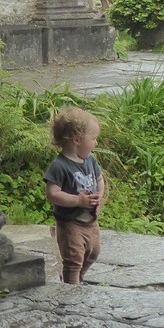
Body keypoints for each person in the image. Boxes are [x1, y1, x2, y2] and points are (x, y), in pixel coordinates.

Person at [44, 107, 105, 284]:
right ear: (77, 140)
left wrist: (99, 196)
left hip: (90, 221)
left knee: (93, 253)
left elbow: (100, 179)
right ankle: (71, 286)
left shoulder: (90, 161)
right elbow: (52, 193)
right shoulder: (60, 166)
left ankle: (78, 277)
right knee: (73, 259)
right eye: (93, 139)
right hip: (70, 223)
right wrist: (78, 200)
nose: (96, 143)